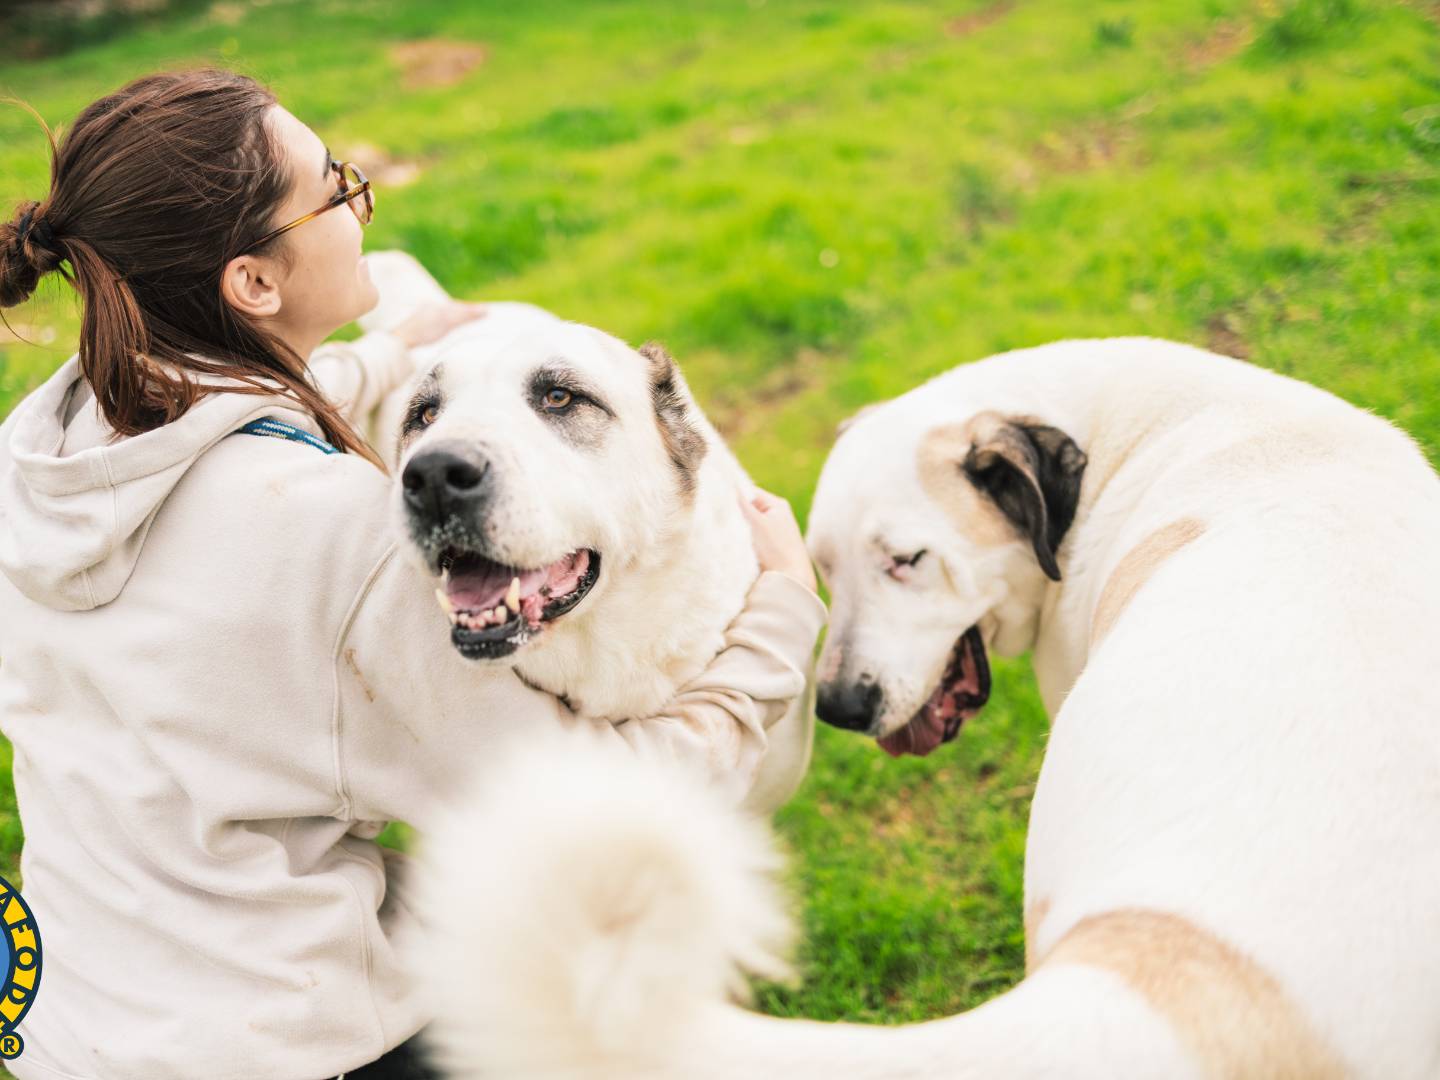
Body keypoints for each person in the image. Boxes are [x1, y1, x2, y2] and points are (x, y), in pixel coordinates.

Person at [0, 70, 826, 1080]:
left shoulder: (43, 458)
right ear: (254, 283)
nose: (357, 202)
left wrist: (390, 355)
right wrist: (781, 612)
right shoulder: (334, 540)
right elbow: (609, 807)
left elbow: (233, 404)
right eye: (334, 185)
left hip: (64, 1033)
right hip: (288, 1050)